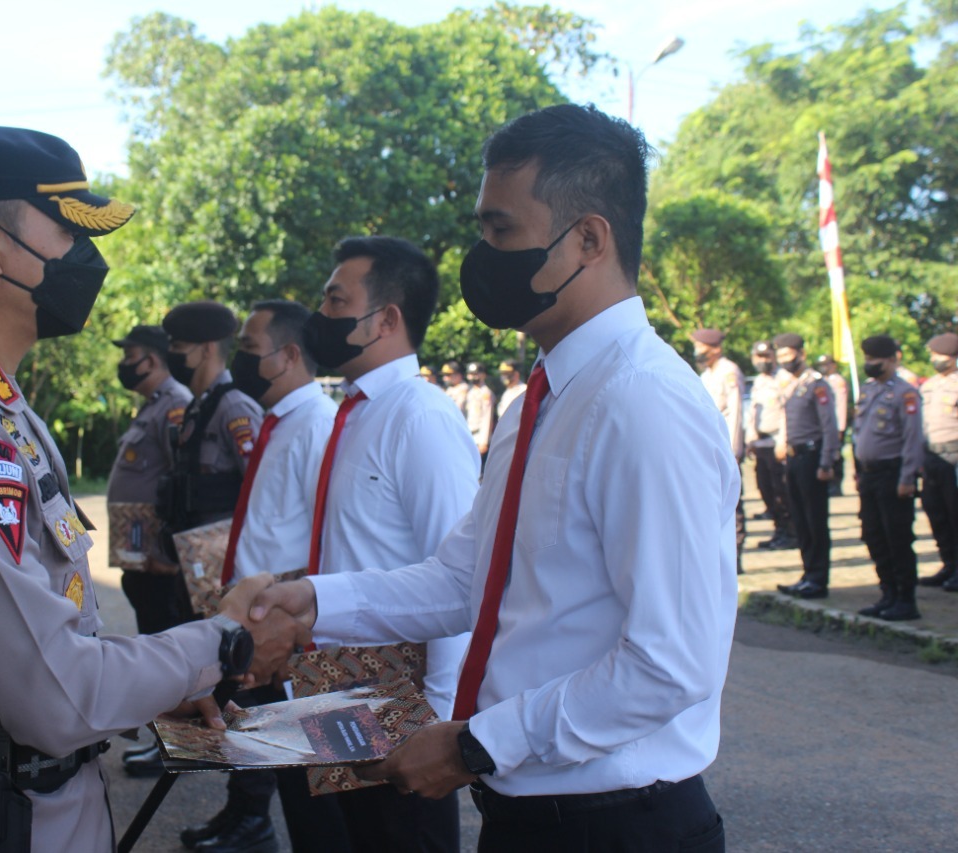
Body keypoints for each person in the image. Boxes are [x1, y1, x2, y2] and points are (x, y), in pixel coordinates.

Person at [232, 104, 734, 852]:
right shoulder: (544, 399)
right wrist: (315, 600)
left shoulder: (641, 401)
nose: (482, 256)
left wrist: (475, 743)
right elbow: (464, 578)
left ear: (589, 239)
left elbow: (671, 663)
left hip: (617, 825)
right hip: (530, 815)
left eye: (501, 231)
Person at [0, 126, 303, 852]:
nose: (86, 259)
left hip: (26, 802)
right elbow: (58, 694)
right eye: (67, 232)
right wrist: (224, 642)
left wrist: (156, 685)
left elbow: (51, 645)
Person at [300, 235, 480, 851]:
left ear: (386, 319)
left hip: (400, 699)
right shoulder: (355, 412)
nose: (320, 315)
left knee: (404, 838)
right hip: (340, 682)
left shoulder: (421, 416)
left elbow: (460, 579)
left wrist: (436, 721)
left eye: (335, 301)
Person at [180, 301, 341, 853]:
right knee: (249, 727)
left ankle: (253, 822)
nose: (239, 362)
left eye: (249, 349)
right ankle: (246, 817)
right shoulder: (281, 421)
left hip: (283, 618)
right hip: (256, 611)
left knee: (299, 766)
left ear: (289, 355)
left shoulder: (316, 424)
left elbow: (322, 535)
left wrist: (296, 625)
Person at [126, 300, 265, 777]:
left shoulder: (236, 408)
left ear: (207, 349)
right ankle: (185, 749)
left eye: (180, 347)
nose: (174, 355)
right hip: (189, 564)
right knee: (194, 671)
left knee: (235, 678)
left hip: (221, 568)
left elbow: (258, 493)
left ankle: (249, 798)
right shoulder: (197, 408)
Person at [107, 324, 192, 635]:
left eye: (130, 356)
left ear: (152, 361)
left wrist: (169, 553)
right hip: (141, 556)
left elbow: (181, 481)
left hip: (159, 561)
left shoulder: (175, 403)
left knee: (165, 635)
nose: (124, 364)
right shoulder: (155, 404)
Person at [851, 335, 924, 620]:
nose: (870, 364)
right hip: (869, 475)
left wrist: (907, 478)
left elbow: (912, 439)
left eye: (875, 359)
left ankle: (906, 600)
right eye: (867, 358)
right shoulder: (868, 390)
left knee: (897, 537)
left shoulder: (906, 393)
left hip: (893, 475)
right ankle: (888, 593)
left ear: (893, 360)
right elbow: (859, 434)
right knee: (874, 535)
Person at [774, 333, 840, 599]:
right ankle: (807, 573)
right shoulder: (791, 385)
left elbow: (829, 426)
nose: (784, 360)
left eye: (788, 355)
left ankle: (818, 579)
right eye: (780, 356)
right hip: (794, 458)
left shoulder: (817, 385)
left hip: (812, 457)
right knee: (800, 520)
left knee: (815, 520)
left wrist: (827, 461)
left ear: (801, 354)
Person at [692, 328, 746, 573]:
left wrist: (733, 449)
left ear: (715, 348)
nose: (697, 351)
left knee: (731, 504)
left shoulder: (729, 371)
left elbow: (735, 411)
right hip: (707, 449)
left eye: (701, 346)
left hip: (726, 448)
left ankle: (735, 558)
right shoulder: (706, 374)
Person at [746, 341, 797, 550]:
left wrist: (784, 440)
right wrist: (750, 437)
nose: (763, 361)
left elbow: (787, 412)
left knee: (781, 491)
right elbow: (753, 411)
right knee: (765, 488)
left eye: (766, 356)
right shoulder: (759, 381)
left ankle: (790, 533)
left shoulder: (783, 379)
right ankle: (779, 530)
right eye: (759, 357)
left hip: (777, 442)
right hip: (761, 442)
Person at [920, 332, 958, 592]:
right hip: (931, 456)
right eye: (933, 355)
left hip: (954, 456)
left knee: (955, 513)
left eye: (939, 355)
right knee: (936, 513)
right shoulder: (929, 385)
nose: (935, 359)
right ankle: (949, 564)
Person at [815, 354, 849, 495]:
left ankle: (836, 484)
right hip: (823, 424)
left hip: (835, 424)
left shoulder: (838, 381)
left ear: (833, 365)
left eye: (826, 364)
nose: (824, 367)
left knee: (836, 455)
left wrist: (840, 427)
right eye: (821, 365)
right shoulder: (820, 381)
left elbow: (841, 404)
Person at [465, 361, 496, 460]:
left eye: (476, 374)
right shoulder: (470, 391)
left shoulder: (485, 393)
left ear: (483, 375)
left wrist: (484, 441)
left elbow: (487, 417)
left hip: (479, 436)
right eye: (471, 374)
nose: (473, 377)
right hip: (469, 434)